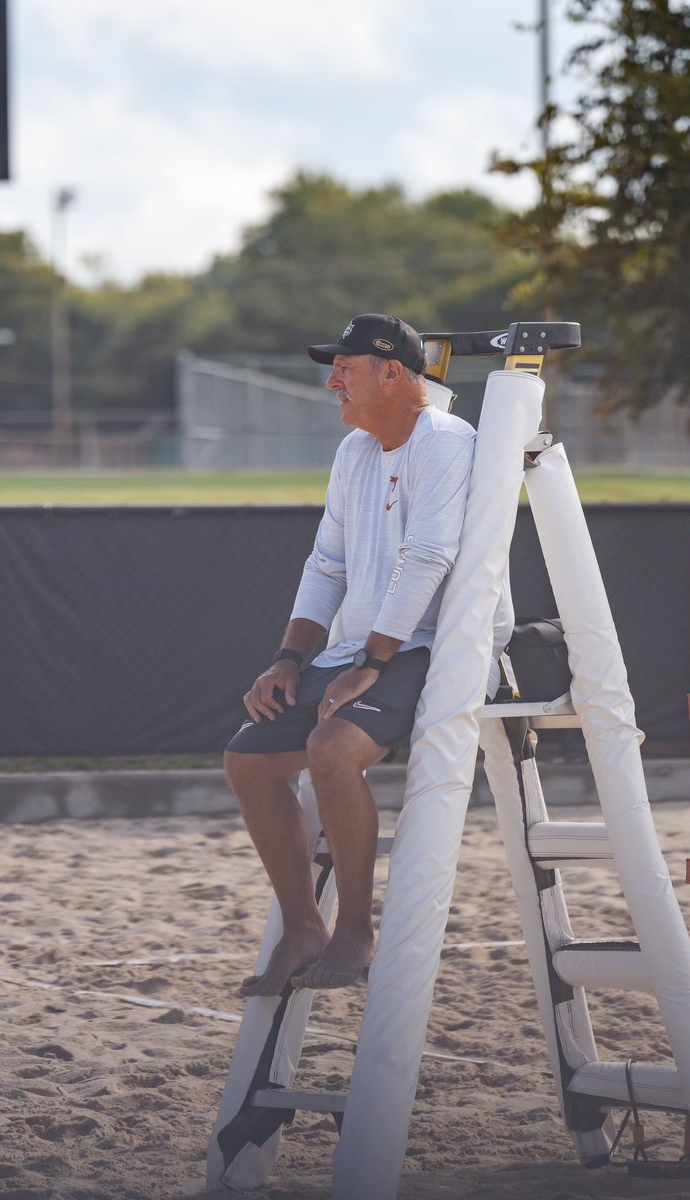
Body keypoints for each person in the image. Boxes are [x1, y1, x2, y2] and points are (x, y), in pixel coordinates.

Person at [224, 313, 477, 997]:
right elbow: (326, 564)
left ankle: (356, 933)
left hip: (425, 646)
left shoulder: (446, 441)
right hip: (364, 648)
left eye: (346, 366)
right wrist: (286, 660)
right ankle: (304, 928)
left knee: (332, 750)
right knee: (246, 760)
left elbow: (430, 558)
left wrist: (372, 661)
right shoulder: (357, 452)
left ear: (392, 372)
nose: (332, 379)